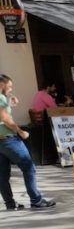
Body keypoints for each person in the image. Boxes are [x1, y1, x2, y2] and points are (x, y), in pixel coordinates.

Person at [0, 75, 56, 209]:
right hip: (8, 139)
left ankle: (10, 203)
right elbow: (4, 118)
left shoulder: (3, 99)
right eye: (10, 86)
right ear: (2, 84)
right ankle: (36, 200)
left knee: (2, 174)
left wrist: (8, 101)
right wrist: (20, 131)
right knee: (29, 167)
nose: (11, 88)